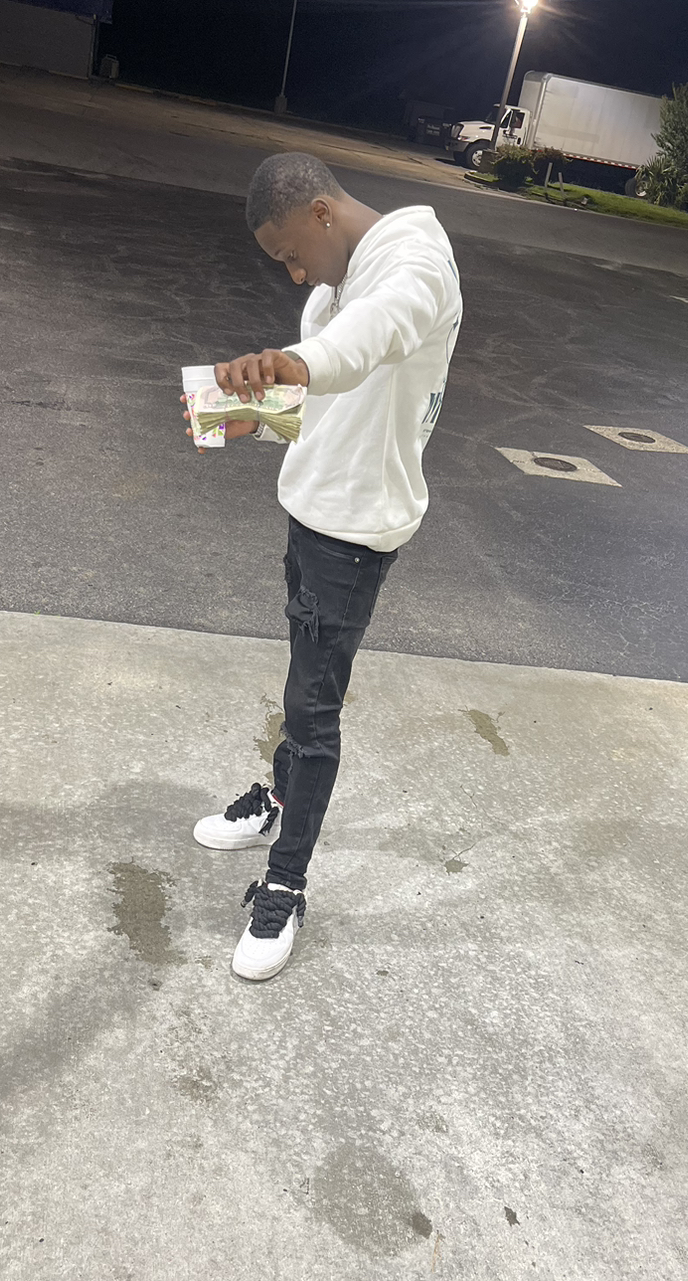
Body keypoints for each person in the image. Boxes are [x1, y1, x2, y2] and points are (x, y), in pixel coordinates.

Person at [184, 152, 463, 981]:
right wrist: (250, 411)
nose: (296, 274)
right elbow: (330, 396)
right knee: (301, 686)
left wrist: (294, 363)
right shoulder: (332, 286)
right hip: (311, 510)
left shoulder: (416, 263)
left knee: (314, 713)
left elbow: (371, 336)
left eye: (290, 255)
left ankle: (285, 885)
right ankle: (277, 801)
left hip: (355, 532)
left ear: (319, 214)